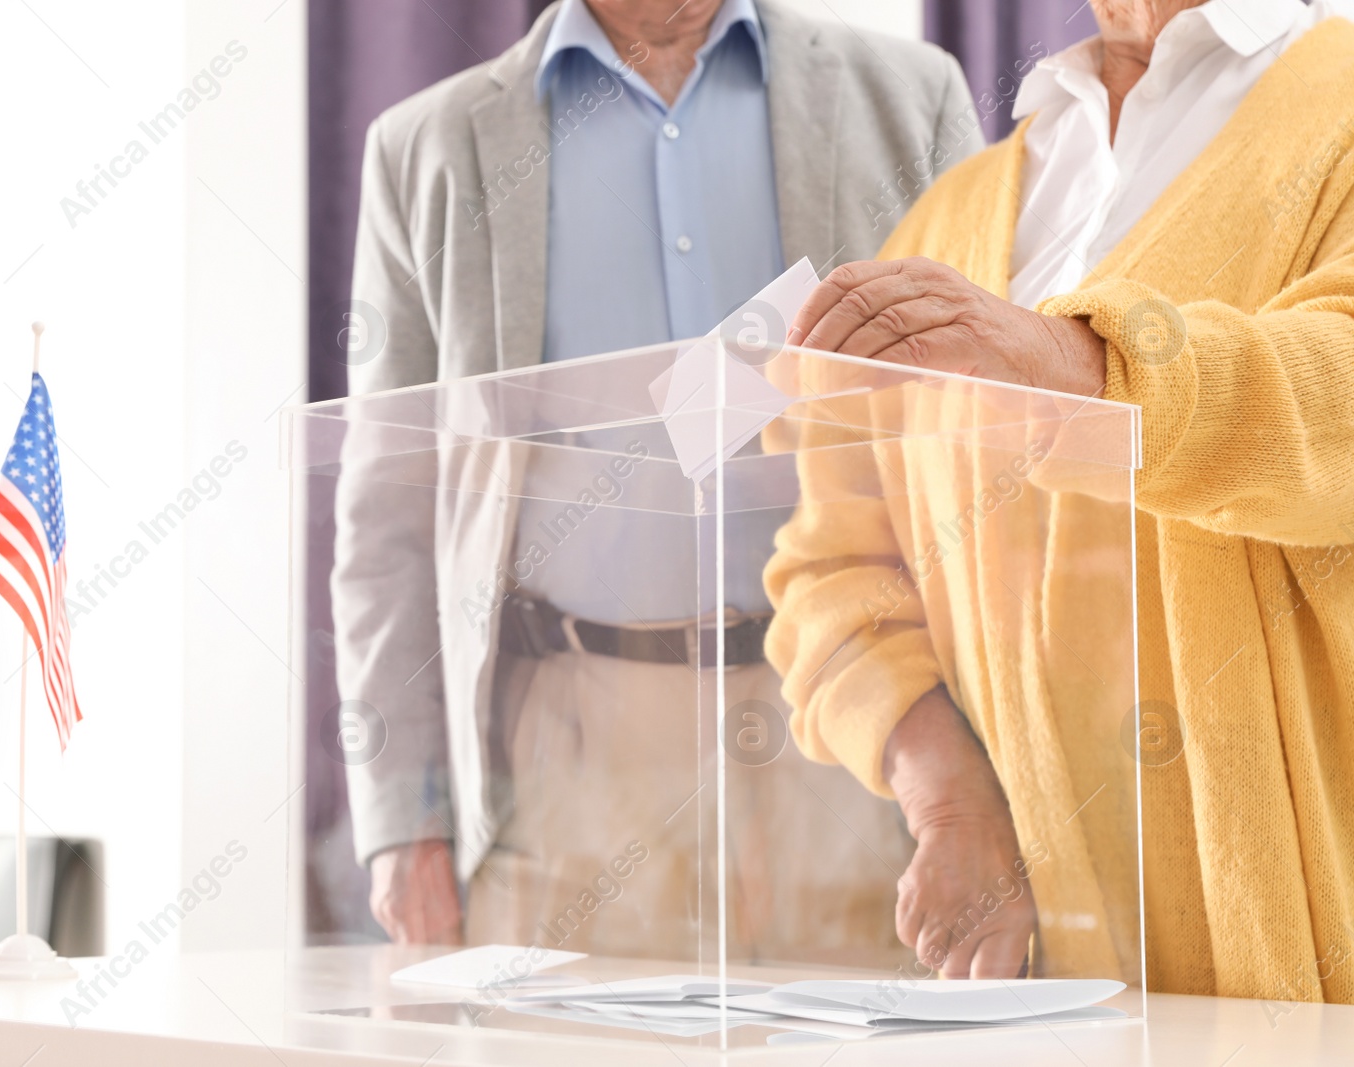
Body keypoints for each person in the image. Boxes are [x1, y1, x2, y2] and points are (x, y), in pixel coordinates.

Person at [334, 0, 983, 959]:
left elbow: (988, 427)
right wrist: (405, 817)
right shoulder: (426, 147)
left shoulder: (912, 99)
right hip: (562, 743)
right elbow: (385, 515)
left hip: (851, 720)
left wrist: (978, 785)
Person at [767, 0, 1354, 1000]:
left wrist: (1068, 363)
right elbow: (833, 569)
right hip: (1048, 983)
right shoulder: (948, 213)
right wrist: (950, 801)